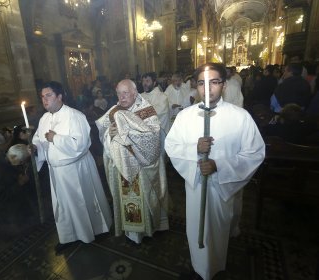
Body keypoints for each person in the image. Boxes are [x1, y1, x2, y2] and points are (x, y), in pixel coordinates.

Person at [165, 63, 265, 280]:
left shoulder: (240, 117)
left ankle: (216, 268)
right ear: (195, 85)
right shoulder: (185, 117)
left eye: (214, 82)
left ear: (224, 85)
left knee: (218, 230)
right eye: (201, 83)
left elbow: (254, 153)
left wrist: (218, 164)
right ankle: (199, 267)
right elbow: (171, 146)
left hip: (223, 186)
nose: (207, 88)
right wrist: (194, 149)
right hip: (195, 186)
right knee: (195, 228)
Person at [32, 81, 112, 254]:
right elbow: (38, 139)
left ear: (60, 96)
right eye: (42, 97)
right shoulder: (44, 118)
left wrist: (56, 138)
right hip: (56, 171)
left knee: (82, 202)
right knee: (63, 205)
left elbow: (81, 144)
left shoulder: (75, 116)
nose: (44, 100)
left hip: (75, 169)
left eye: (48, 95)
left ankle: (94, 230)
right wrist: (34, 148)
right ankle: (68, 236)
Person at [96, 79, 169, 244]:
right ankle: (133, 233)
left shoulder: (146, 111)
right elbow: (103, 135)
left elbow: (152, 137)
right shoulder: (114, 111)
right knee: (128, 200)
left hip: (141, 167)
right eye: (118, 93)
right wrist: (111, 134)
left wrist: (126, 132)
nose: (121, 97)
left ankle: (149, 228)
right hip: (122, 166)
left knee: (144, 197)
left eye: (125, 93)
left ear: (135, 93)